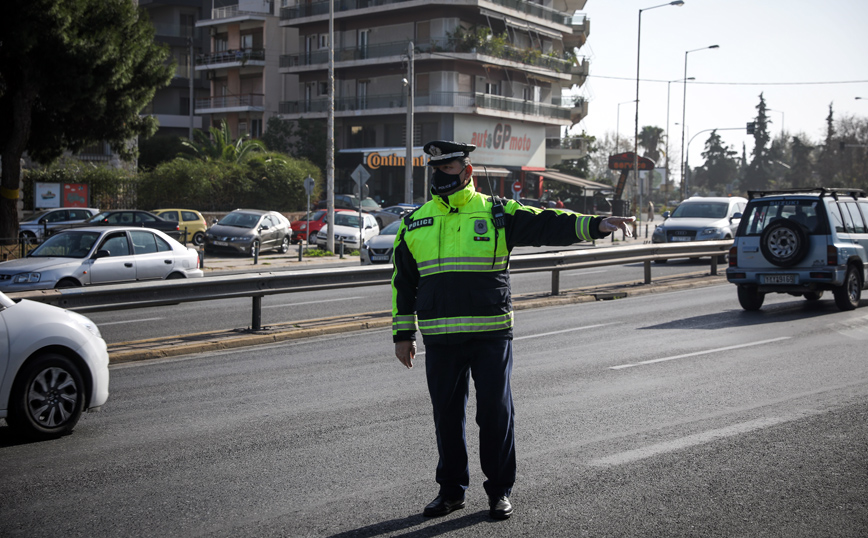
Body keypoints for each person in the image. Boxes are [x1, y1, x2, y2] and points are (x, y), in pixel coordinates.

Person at [391, 140, 635, 521]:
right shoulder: (415, 221)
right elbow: (403, 283)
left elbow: (546, 222)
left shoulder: (497, 212)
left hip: (490, 334)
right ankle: (451, 491)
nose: (441, 174)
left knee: (495, 414)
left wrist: (595, 225)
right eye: (436, 168)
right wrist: (402, 335)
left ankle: (499, 491)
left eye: (450, 167)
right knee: (446, 418)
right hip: (440, 339)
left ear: (467, 170)